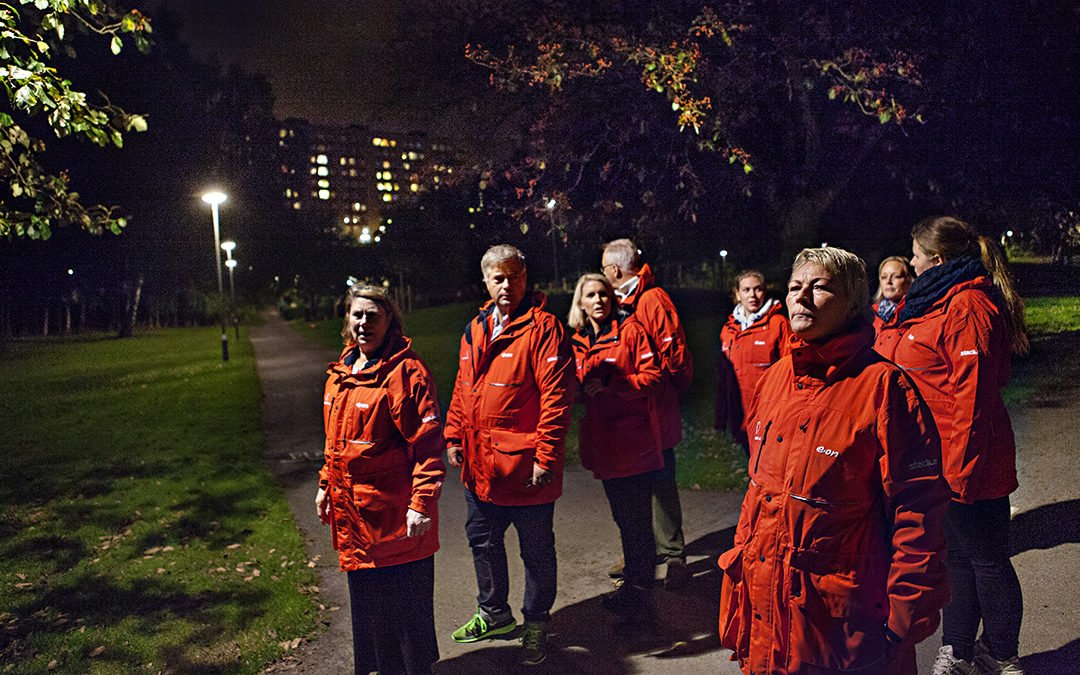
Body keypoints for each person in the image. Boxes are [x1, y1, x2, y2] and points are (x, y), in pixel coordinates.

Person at [718, 247, 950, 675]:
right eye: (793, 287)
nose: (800, 297)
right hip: (769, 616)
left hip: (843, 631)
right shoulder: (775, 380)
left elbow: (917, 512)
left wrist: (903, 619)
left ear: (854, 303)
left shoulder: (885, 388)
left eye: (819, 287)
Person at [874, 217, 1028, 675]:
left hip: (969, 461)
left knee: (988, 561)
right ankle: (958, 649)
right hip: (942, 459)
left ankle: (1002, 655)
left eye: (916, 253)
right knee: (959, 558)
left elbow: (974, 398)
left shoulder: (967, 306)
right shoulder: (935, 302)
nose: (911, 260)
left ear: (936, 260)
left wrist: (958, 473)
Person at [444, 244, 576, 667]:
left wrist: (546, 456)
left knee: (536, 550)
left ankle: (536, 621)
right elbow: (463, 388)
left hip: (524, 465)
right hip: (479, 464)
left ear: (525, 277)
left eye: (514, 276)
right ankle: (494, 612)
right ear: (485, 281)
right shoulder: (475, 328)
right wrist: (451, 434)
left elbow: (557, 398)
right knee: (482, 540)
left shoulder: (544, 328)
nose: (507, 285)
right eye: (498, 278)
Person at [316, 284, 446, 675]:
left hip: (396, 524)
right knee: (372, 619)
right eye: (357, 315)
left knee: (406, 619)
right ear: (347, 321)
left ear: (390, 321)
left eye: (373, 315)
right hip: (355, 522)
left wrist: (421, 504)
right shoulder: (340, 374)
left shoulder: (406, 373)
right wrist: (325, 483)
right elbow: (335, 444)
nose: (363, 323)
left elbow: (427, 446)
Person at [568, 273, 665, 634]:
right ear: (580, 302)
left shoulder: (631, 332)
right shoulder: (577, 341)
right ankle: (635, 593)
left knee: (636, 523)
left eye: (604, 294)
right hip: (604, 445)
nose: (598, 300)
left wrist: (614, 386)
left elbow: (654, 376)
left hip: (632, 442)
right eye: (590, 295)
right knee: (625, 521)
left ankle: (640, 604)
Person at [601, 238, 694, 589]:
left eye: (603, 267)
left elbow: (676, 356)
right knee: (633, 484)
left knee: (660, 481)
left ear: (614, 269)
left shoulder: (652, 299)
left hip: (653, 408)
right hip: (627, 412)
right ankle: (642, 550)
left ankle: (673, 555)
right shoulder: (617, 301)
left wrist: (664, 393)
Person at [715, 269, 791, 451]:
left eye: (758, 289)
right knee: (751, 463)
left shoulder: (778, 325)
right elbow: (723, 379)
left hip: (769, 416)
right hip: (740, 416)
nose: (752, 295)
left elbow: (791, 372)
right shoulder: (729, 330)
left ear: (764, 292)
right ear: (737, 294)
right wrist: (721, 416)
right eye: (746, 290)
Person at [872, 256, 914, 333]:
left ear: (909, 280)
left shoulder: (915, 313)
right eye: (884, 277)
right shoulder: (871, 314)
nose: (888, 281)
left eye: (896, 277)